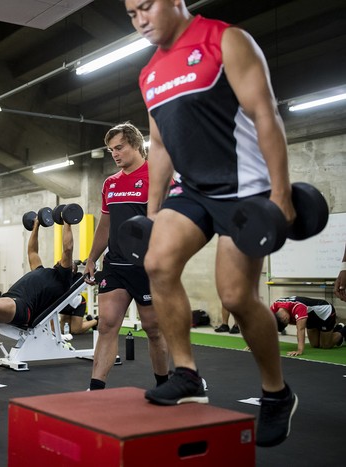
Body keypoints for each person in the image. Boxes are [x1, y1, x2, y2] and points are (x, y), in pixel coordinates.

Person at [125, 0, 297, 447]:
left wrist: (280, 195)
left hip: (246, 187)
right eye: (131, 13)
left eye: (146, 7)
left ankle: (277, 394)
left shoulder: (225, 40)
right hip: (193, 189)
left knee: (236, 296)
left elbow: (265, 113)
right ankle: (187, 375)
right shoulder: (149, 74)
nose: (141, 19)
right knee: (158, 262)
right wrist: (153, 212)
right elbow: (160, 146)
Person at [83, 123, 169, 391]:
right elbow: (105, 224)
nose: (115, 154)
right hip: (116, 265)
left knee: (153, 329)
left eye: (119, 147)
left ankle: (164, 384)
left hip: (147, 267)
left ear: (136, 144)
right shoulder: (110, 183)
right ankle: (96, 389)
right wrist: (91, 258)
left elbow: (172, 221)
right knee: (107, 324)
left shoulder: (157, 176)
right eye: (111, 150)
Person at [0, 218, 76, 344]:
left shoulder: (63, 279)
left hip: (24, 307)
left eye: (70, 263)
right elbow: (32, 251)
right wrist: (36, 226)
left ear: (70, 271)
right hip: (7, 299)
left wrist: (67, 222)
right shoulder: (41, 270)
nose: (63, 260)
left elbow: (68, 249)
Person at [271, 296, 345, 356]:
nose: (289, 323)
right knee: (315, 344)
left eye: (287, 323)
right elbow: (267, 326)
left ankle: (343, 330)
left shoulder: (298, 307)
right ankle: (335, 330)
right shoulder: (274, 307)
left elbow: (301, 329)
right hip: (310, 317)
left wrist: (300, 350)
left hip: (325, 313)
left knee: (326, 345)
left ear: (285, 318)